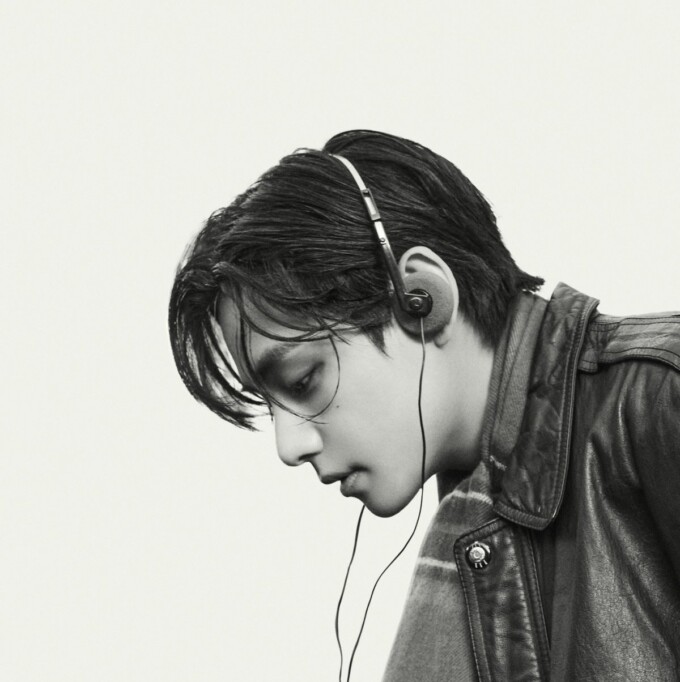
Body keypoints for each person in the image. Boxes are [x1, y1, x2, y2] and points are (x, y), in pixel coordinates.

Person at [168, 130, 680, 681]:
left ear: (423, 300)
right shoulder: (476, 515)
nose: (288, 445)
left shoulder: (660, 403)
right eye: (271, 407)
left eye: (303, 379)